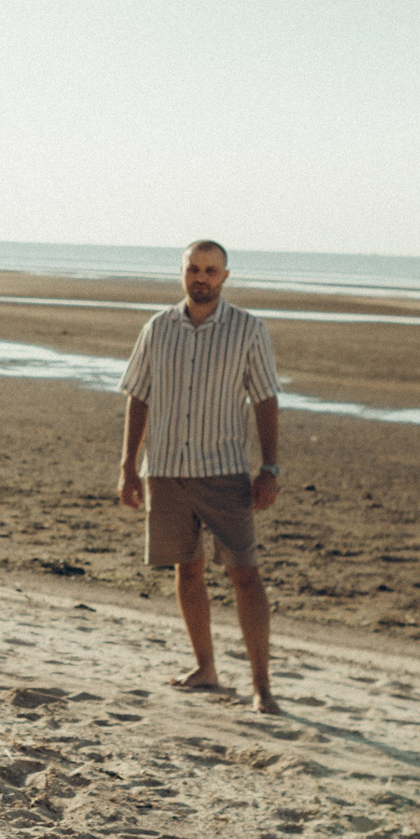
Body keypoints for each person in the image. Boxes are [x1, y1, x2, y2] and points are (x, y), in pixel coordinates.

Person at [116, 240, 283, 715]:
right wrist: (128, 465)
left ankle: (261, 685)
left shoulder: (249, 330)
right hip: (165, 468)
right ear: (182, 273)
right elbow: (139, 395)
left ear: (226, 276)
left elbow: (266, 399)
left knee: (244, 574)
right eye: (194, 268)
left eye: (211, 270)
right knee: (186, 569)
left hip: (224, 470)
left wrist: (269, 468)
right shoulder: (157, 328)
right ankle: (206, 669)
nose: (201, 277)